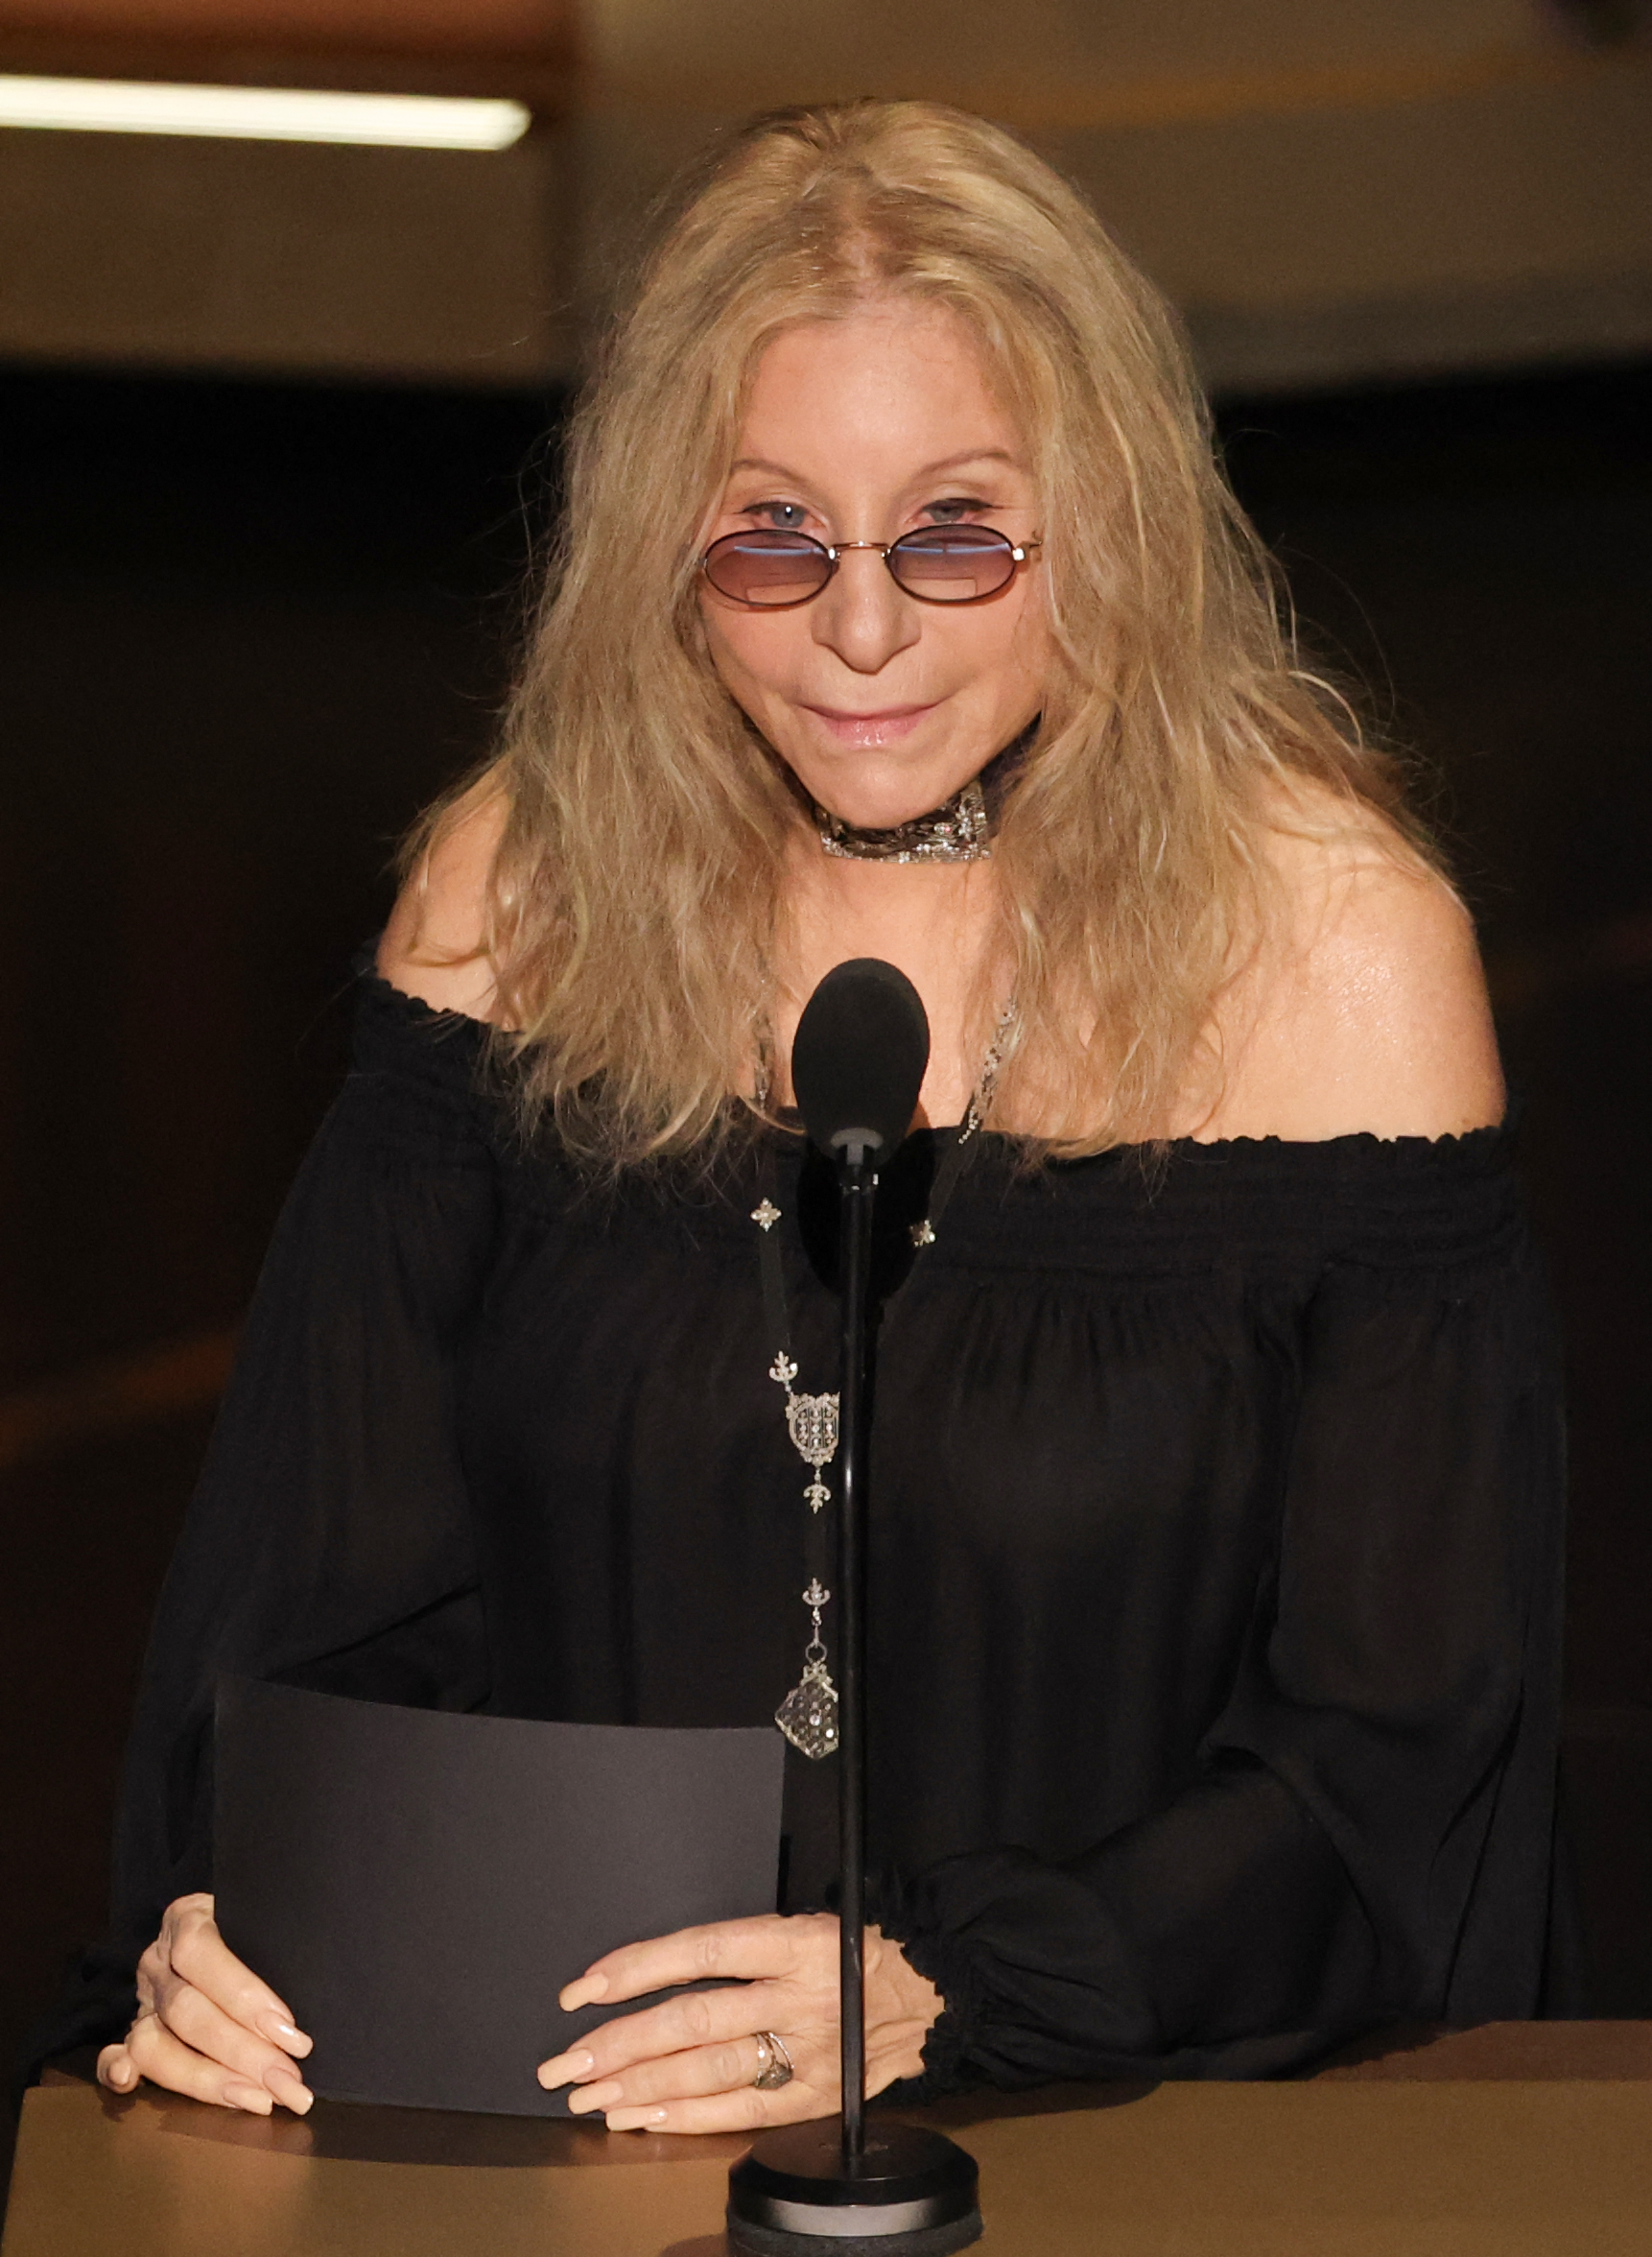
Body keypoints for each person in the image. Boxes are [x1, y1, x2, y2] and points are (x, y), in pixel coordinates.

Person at [44, 100, 1566, 2132]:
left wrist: (953, 1984)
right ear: (665, 546)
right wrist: (244, 1919)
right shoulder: (518, 903)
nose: (861, 628)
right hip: (580, 2125)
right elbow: (320, 1627)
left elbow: (1401, 1755)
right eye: (774, 533)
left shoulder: (1344, 958)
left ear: (1104, 519)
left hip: (1150, 2127)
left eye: (955, 530)